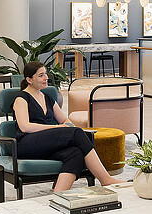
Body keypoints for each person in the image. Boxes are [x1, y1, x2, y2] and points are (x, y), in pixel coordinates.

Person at [12, 61, 125, 192]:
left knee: (75, 153)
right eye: (41, 75)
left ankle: (58, 195)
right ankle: (105, 179)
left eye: (46, 74)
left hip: (47, 143)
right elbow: (25, 127)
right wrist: (57, 128)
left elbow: (64, 120)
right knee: (76, 133)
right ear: (29, 79)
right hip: (27, 143)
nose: (46, 78)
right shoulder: (21, 98)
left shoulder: (47, 98)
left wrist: (67, 126)